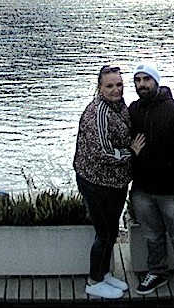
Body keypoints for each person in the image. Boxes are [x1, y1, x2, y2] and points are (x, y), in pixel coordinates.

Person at [128, 62, 174, 301]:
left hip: (173, 193)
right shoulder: (133, 111)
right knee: (151, 236)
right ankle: (156, 272)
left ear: (156, 82)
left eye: (146, 80)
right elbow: (124, 142)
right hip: (143, 191)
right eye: (137, 80)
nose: (142, 85)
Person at [75, 64, 139, 300]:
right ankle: (93, 281)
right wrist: (131, 152)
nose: (116, 90)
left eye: (119, 84)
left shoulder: (119, 106)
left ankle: (104, 272)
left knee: (111, 231)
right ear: (99, 88)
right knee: (104, 233)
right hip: (95, 182)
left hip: (115, 182)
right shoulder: (98, 113)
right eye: (110, 86)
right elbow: (103, 152)